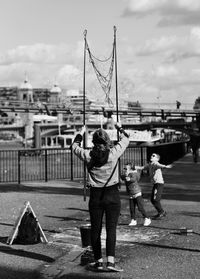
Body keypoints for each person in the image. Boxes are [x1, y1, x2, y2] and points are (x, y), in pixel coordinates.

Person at [71, 124, 129, 272]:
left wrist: (81, 133)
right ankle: (110, 263)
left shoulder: (87, 155)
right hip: (112, 195)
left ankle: (98, 261)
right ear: (107, 141)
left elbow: (74, 146)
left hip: (95, 197)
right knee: (111, 229)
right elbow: (126, 138)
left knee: (95, 230)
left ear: (93, 142)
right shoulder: (113, 153)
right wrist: (120, 128)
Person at [136, 153, 172, 220]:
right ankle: (161, 212)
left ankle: (162, 212)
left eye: (153, 156)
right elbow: (142, 168)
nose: (151, 156)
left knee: (155, 200)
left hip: (159, 184)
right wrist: (134, 167)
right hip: (155, 184)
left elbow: (159, 165)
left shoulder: (155, 164)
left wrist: (165, 166)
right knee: (152, 200)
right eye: (151, 155)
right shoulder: (150, 164)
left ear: (157, 159)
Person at [121, 162, 151, 227]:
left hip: (137, 192)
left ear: (131, 169)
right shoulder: (127, 174)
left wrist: (129, 178)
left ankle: (147, 218)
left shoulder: (134, 174)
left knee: (140, 207)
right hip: (131, 193)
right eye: (125, 169)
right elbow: (122, 177)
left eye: (127, 169)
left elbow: (134, 179)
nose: (125, 170)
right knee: (132, 208)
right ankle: (133, 220)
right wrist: (125, 176)